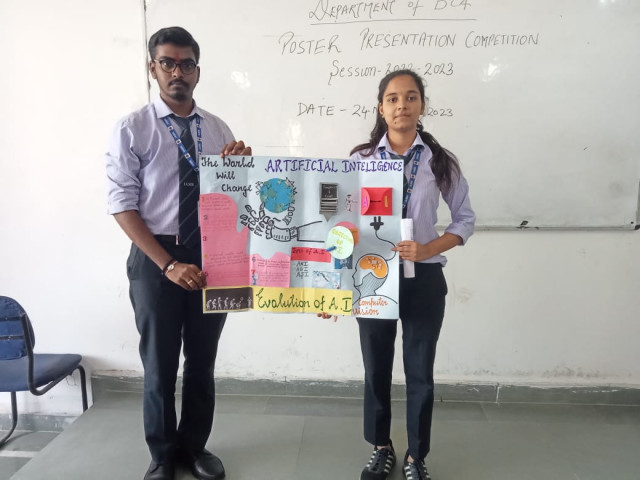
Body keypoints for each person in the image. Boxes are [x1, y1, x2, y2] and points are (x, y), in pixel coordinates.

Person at [105, 26, 251, 480]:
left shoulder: (218, 129)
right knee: (160, 363)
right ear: (153, 68)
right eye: (167, 63)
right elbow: (121, 204)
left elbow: (236, 202)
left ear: (197, 72)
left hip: (213, 252)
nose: (177, 72)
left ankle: (194, 448)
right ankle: (162, 454)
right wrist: (167, 264)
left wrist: (240, 172)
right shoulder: (133, 128)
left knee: (203, 361)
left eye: (186, 64)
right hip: (156, 257)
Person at [324, 69, 475, 480]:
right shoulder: (360, 161)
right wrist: (333, 287)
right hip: (373, 276)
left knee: (420, 372)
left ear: (421, 105)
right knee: (376, 367)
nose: (401, 105)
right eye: (392, 98)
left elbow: (464, 220)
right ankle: (381, 446)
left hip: (423, 279)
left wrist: (428, 248)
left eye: (410, 97)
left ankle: (416, 456)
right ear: (381, 107)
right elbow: (340, 225)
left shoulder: (440, 162)